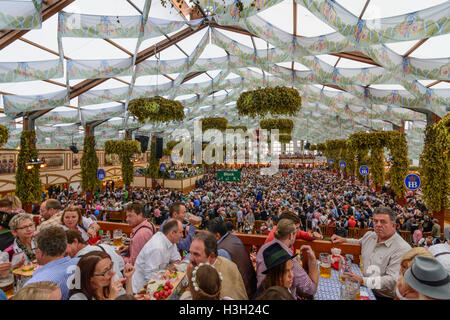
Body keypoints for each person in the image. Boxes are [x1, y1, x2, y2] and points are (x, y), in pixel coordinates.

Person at [331, 206, 411, 299]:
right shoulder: (371, 236)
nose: (378, 224)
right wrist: (344, 239)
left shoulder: (402, 249)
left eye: (383, 222)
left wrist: (363, 281)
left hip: (382, 296)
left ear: (394, 225)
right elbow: (359, 242)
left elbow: (392, 280)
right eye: (375, 221)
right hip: (364, 286)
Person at [256, 219, 317, 300]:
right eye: (295, 234)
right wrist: (313, 260)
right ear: (291, 235)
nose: (291, 274)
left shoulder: (263, 248)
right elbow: (311, 289)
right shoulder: (286, 258)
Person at [183, 231, 248, 300]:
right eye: (190, 253)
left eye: (196, 254)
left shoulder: (218, 280)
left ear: (211, 256)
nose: (191, 259)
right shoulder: (199, 267)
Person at [206, 217, 257, 299]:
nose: (206, 238)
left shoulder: (221, 251)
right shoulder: (233, 238)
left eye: (208, 235)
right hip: (251, 288)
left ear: (217, 236)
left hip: (242, 294)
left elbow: (223, 281)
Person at [23, 227, 79, 300]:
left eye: (35, 249)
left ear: (40, 252)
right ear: (65, 247)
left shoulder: (33, 286)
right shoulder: (82, 262)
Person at [133, 219, 183, 292]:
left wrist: (167, 270)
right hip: (141, 290)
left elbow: (177, 259)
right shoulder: (157, 247)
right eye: (181, 232)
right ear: (172, 233)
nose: (182, 235)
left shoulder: (171, 240)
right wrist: (168, 270)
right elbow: (150, 277)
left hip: (158, 282)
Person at [69, 251, 135, 300]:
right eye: (105, 271)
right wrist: (112, 298)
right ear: (90, 278)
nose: (113, 273)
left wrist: (129, 278)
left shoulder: (110, 284)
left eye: (111, 266)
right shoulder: (78, 297)